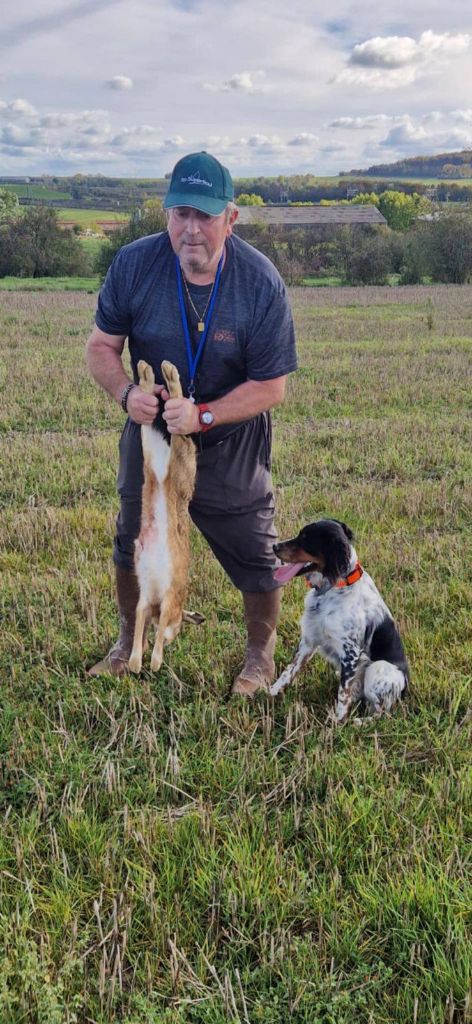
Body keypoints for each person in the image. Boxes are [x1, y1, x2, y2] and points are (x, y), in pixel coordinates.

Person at [86, 151, 297, 695]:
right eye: (180, 212)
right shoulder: (134, 265)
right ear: (166, 214)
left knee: (254, 543)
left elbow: (272, 386)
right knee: (134, 534)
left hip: (228, 430)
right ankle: (125, 642)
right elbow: (102, 347)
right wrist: (126, 392)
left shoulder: (260, 282)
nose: (191, 229)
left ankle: (259, 658)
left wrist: (202, 415)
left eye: (204, 215)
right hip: (153, 429)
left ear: (231, 217)